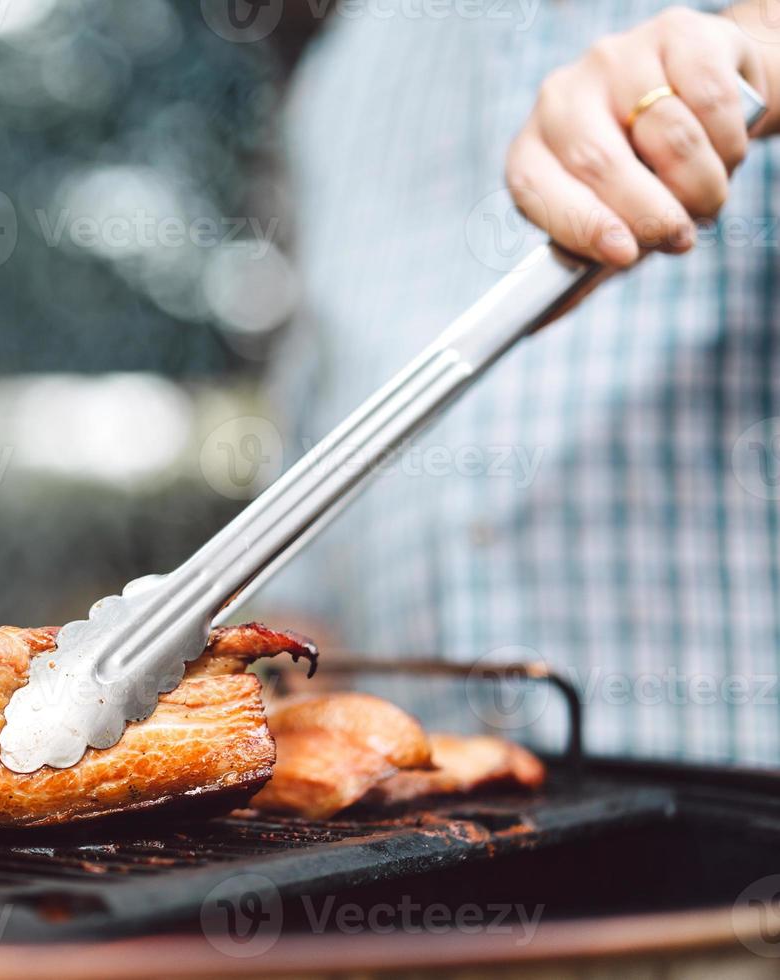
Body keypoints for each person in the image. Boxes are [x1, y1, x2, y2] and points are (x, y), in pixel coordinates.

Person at [268, 0, 780, 764]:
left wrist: (758, 44)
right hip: (422, 847)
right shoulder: (343, 70)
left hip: (739, 827)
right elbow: (312, 485)